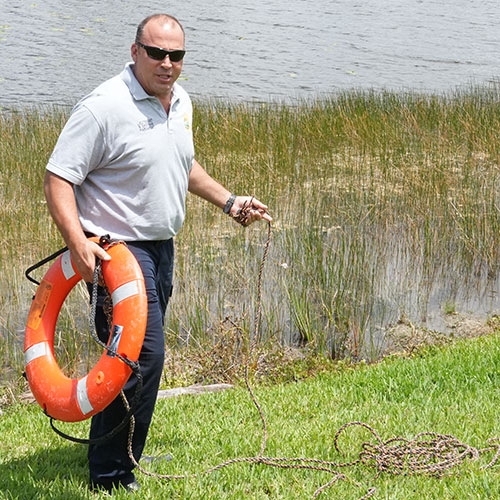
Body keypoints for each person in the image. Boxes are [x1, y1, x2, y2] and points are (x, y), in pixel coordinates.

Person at [43, 13, 271, 494]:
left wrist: (230, 202)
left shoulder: (180, 100)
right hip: (116, 254)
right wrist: (75, 241)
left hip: (162, 249)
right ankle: (110, 475)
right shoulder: (103, 107)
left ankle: (124, 452)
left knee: (129, 362)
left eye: (176, 55)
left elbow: (181, 163)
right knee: (140, 360)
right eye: (156, 53)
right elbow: (59, 177)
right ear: (135, 52)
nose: (167, 64)